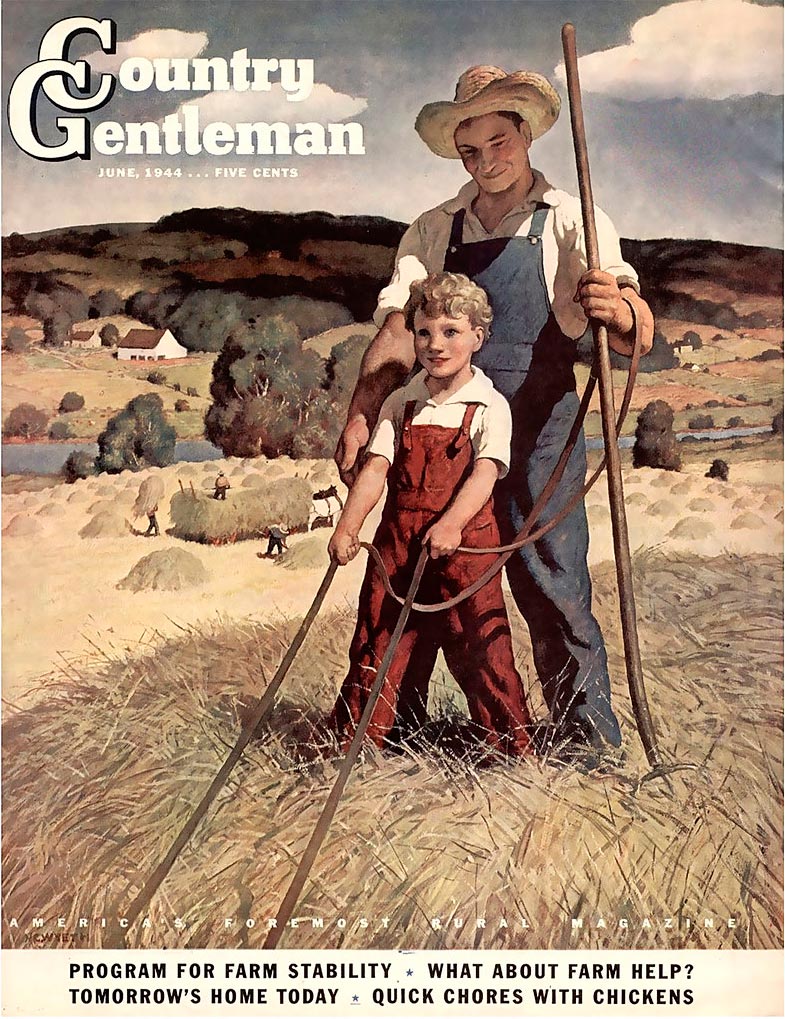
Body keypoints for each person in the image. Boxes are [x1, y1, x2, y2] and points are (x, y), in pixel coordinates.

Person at [334, 66, 655, 755]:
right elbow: (396, 331)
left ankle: (585, 742)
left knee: (553, 587)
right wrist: (363, 410)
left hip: (541, 436)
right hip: (443, 442)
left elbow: (634, 327)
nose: (485, 161)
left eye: (498, 142)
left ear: (526, 134)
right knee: (414, 580)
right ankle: (393, 732)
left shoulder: (570, 218)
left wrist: (618, 308)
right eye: (469, 150)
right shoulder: (432, 229)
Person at [329, 272, 532, 760]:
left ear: (477, 338)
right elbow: (376, 467)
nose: (435, 345)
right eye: (424, 332)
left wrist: (452, 524)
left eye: (450, 332)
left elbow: (485, 473)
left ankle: (511, 755)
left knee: (483, 650)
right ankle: (356, 751)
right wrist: (348, 526)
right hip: (397, 546)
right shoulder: (402, 402)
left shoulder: (489, 406)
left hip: (464, 550)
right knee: (377, 642)